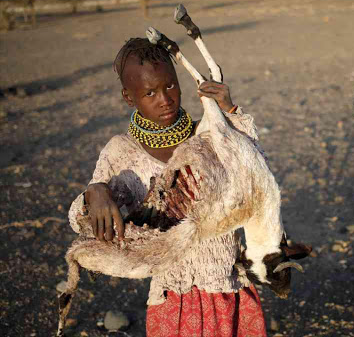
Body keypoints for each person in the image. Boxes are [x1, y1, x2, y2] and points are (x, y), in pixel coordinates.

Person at [68, 37, 267, 336]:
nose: (165, 99)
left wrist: (229, 111)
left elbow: (254, 169)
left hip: (227, 283)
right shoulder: (122, 153)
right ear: (128, 97)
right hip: (172, 294)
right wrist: (95, 192)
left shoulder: (207, 136)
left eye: (170, 86)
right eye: (149, 92)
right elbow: (78, 220)